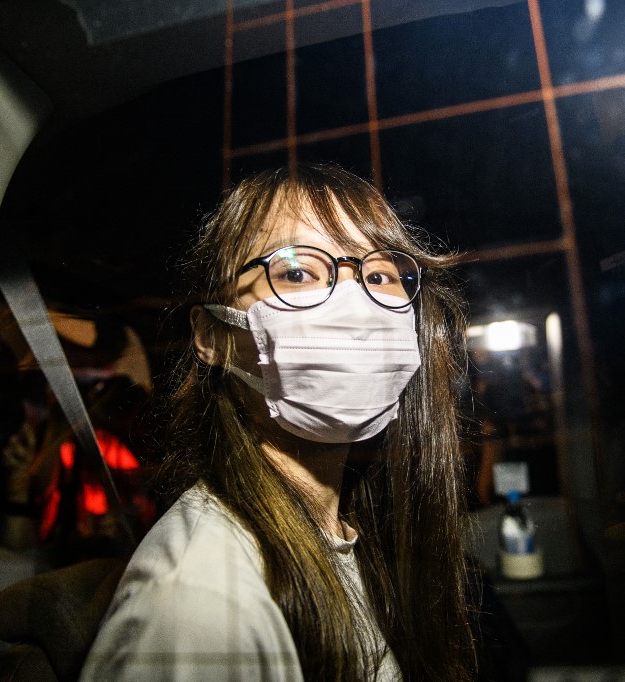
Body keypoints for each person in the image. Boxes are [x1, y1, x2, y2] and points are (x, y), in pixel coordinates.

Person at [81, 164, 477, 681]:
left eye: (379, 276)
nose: (356, 307)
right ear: (211, 336)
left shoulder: (361, 540)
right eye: (295, 272)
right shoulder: (199, 604)